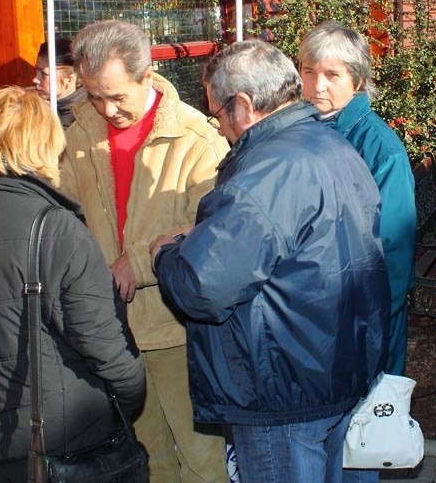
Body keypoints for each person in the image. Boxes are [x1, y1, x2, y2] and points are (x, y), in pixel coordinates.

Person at [150, 40, 389, 483]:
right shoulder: (328, 143)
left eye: (217, 116)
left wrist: (166, 253)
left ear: (242, 106)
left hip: (282, 393)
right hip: (334, 371)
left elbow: (201, 288)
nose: (219, 129)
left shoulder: (265, 171)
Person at [0, 86, 146, 482]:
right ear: (43, 146)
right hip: (59, 436)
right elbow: (103, 346)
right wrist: (128, 397)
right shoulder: (57, 228)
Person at [58, 20, 229, 483]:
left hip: (175, 328)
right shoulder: (79, 132)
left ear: (147, 76)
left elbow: (212, 229)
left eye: (117, 96)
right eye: (94, 95)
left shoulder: (198, 139)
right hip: (109, 327)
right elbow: (65, 211)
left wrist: (137, 263)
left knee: (201, 458)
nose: (107, 109)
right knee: (147, 455)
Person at [297, 21, 416, 378]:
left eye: (332, 75)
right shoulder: (298, 131)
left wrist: (370, 321)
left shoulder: (380, 149)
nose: (318, 86)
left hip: (362, 317)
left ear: (358, 80)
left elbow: (393, 246)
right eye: (308, 71)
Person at [32, 36, 81, 128]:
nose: (35, 79)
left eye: (44, 74)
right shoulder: (40, 107)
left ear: (69, 80)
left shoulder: (82, 118)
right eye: (36, 71)